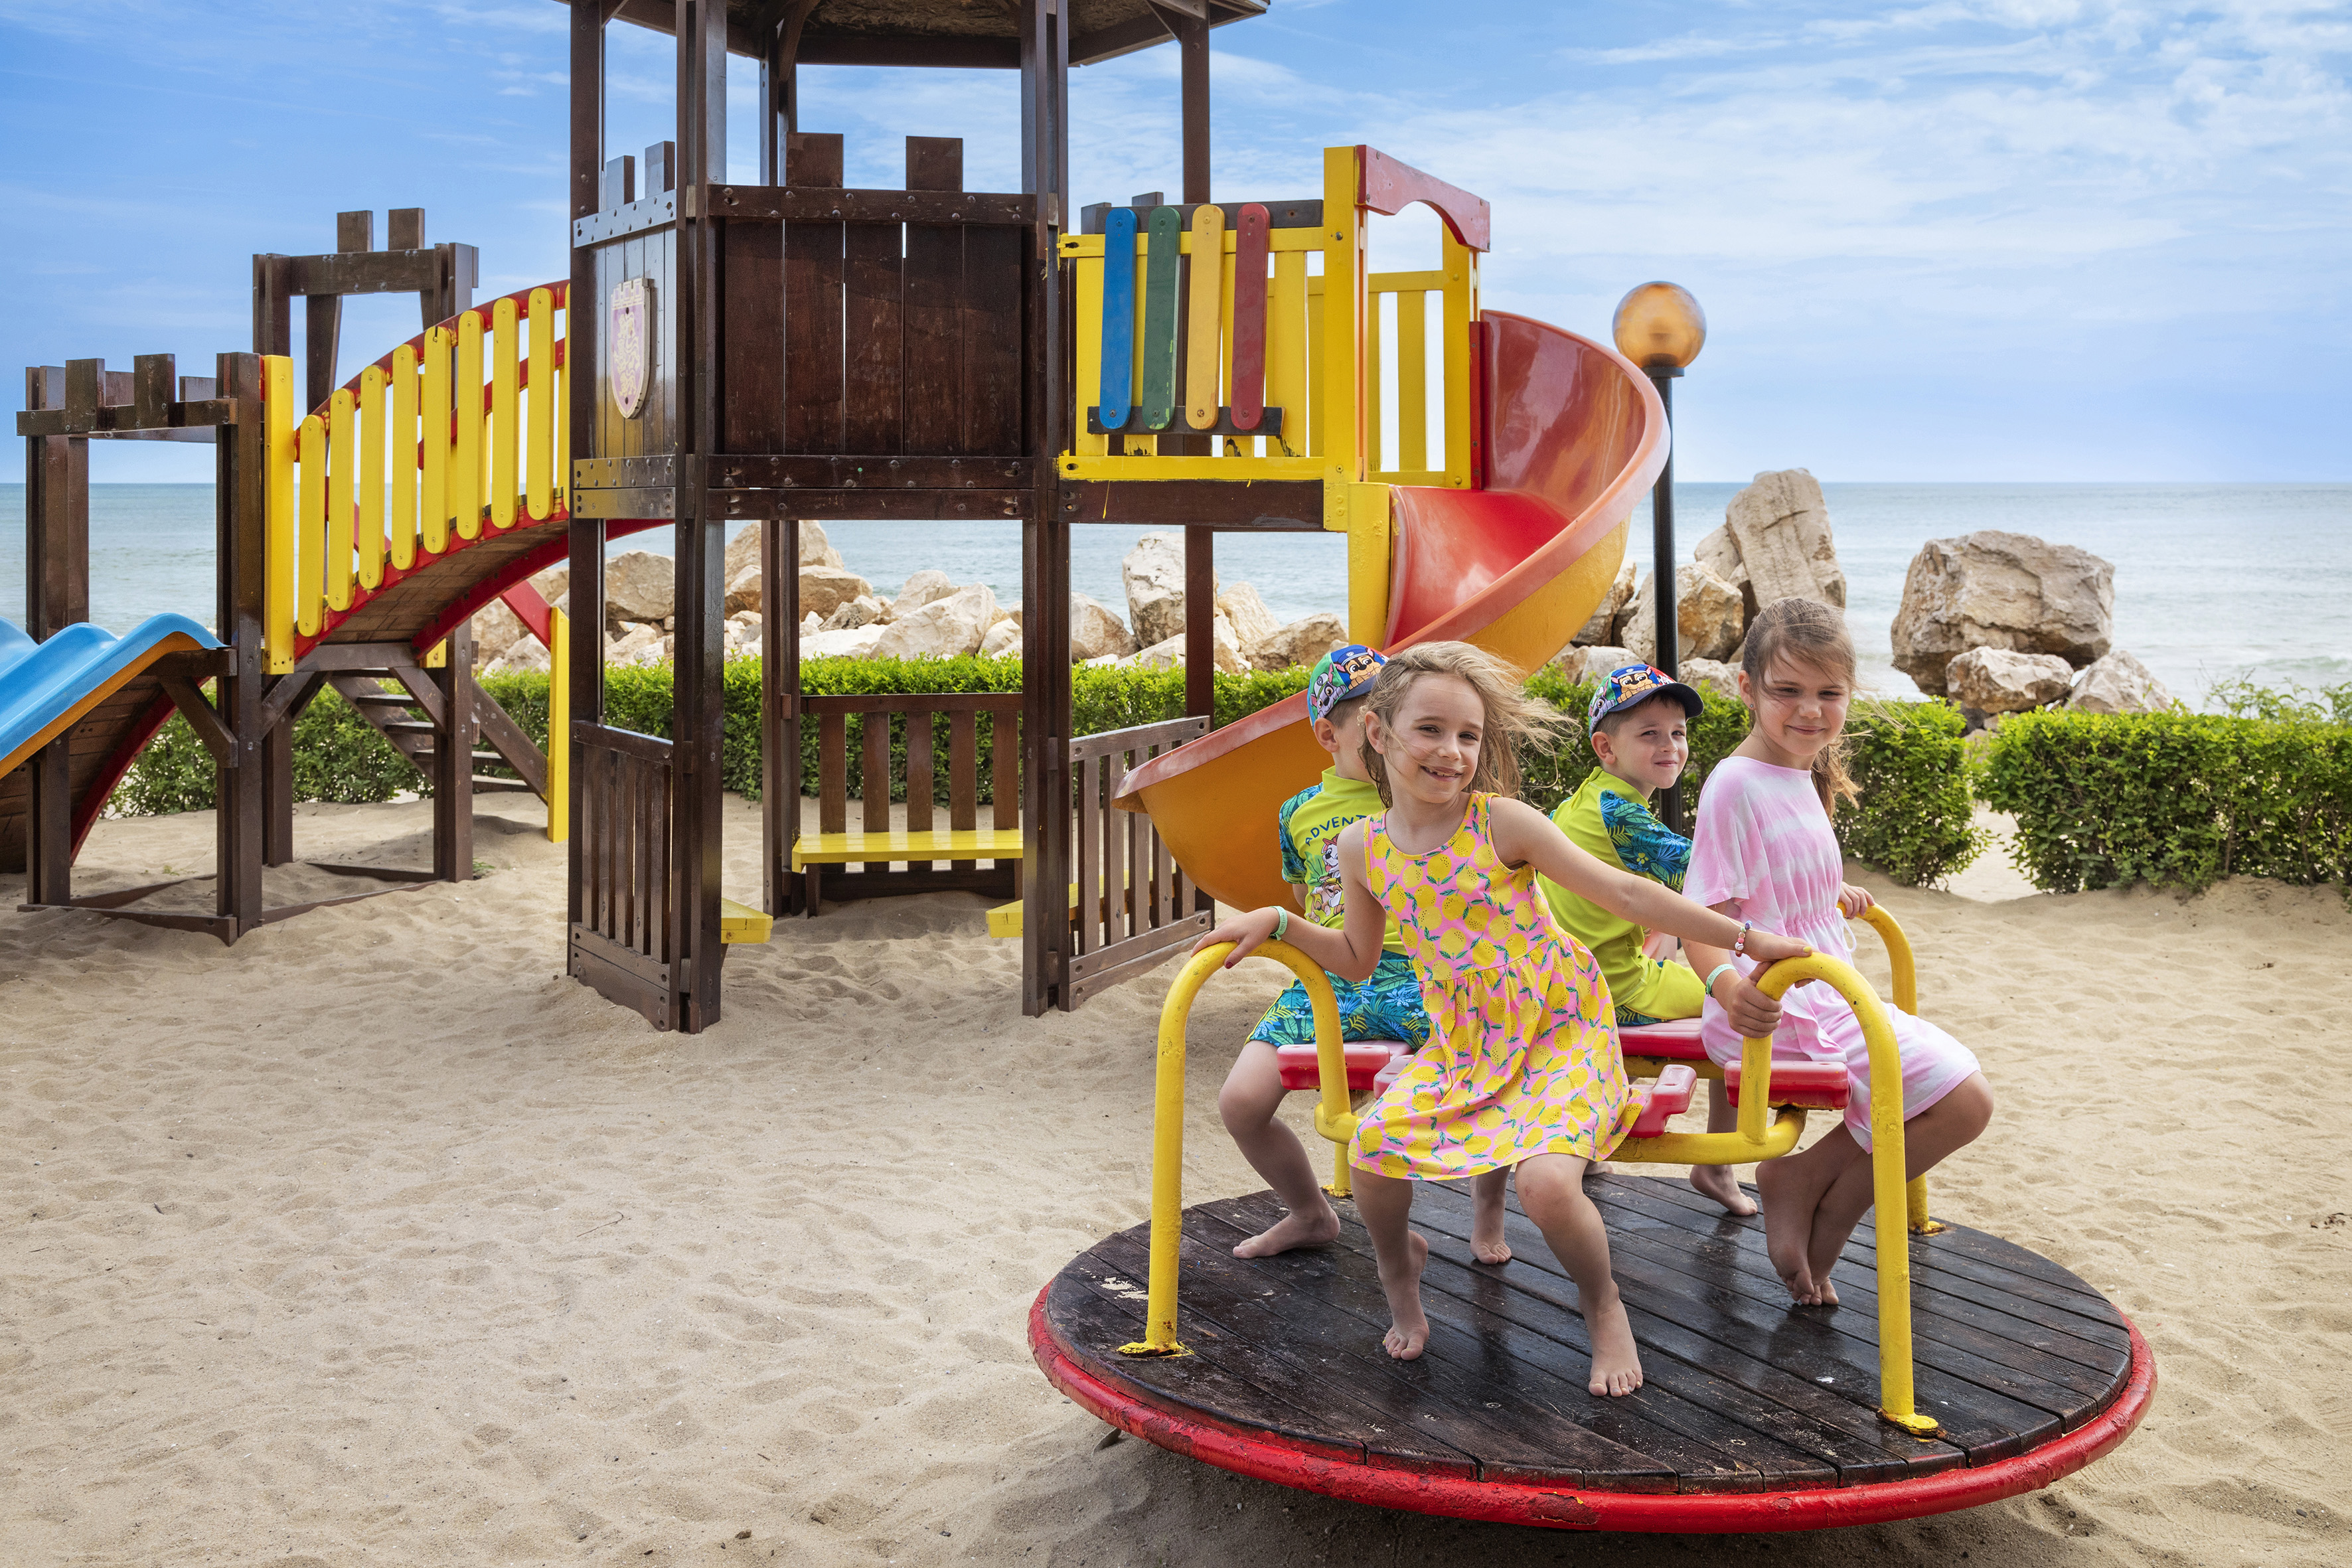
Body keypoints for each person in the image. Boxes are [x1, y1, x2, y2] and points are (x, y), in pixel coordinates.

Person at [1194, 642, 1808, 1394]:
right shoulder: (1363, 848)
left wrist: (1744, 937)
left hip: (1561, 1033)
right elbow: (1356, 955)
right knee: (1373, 1151)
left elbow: (1627, 895)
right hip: (1464, 1046)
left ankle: (1602, 1302)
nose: (1451, 752)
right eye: (1430, 730)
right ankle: (1401, 1274)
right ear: (1379, 734)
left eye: (1468, 735)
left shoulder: (1501, 823)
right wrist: (1280, 925)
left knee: (1548, 1186)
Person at [1680, 597, 1996, 1307]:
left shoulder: (1801, 773)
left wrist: (1831, 893)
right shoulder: (1734, 783)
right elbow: (1704, 920)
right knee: (1965, 1099)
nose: (1809, 711)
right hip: (1773, 1004)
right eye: (1786, 691)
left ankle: (1805, 1181)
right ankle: (1830, 1201)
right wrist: (1732, 991)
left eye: (1829, 693)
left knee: (1959, 1098)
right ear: (1747, 688)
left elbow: (1776, 880)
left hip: (1821, 988)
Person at [1216, 646, 1434, 1259]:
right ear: (1327, 733)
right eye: (1370, 721)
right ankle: (1310, 1213)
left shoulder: (1421, 799)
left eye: (1396, 719)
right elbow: (1305, 896)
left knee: (1397, 1113)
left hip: (1417, 977)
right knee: (1241, 1102)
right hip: (1327, 979)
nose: (1384, 735)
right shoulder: (1298, 814)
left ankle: (1476, 1217)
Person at [1537, 663, 1757, 1216]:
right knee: (1741, 1001)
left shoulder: (1582, 801)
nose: (1670, 746)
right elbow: (1708, 875)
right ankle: (1715, 1164)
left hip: (1563, 982)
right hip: (1614, 991)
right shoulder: (1621, 815)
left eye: (1677, 733)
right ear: (1605, 748)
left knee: (1670, 941)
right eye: (1649, 734)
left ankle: (1588, 1151)